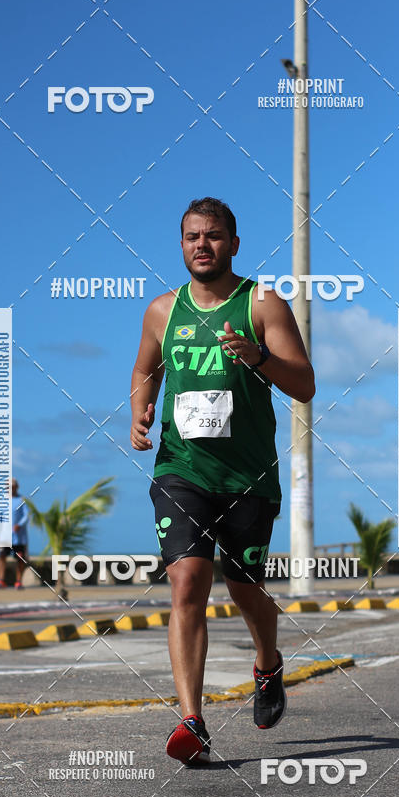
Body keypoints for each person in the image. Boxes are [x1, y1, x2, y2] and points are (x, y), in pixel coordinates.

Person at [130, 197, 315, 765]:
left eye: (212, 236)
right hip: (180, 470)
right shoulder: (164, 310)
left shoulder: (262, 303)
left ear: (234, 243)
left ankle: (268, 663)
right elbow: (145, 369)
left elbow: (304, 384)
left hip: (248, 476)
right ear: (181, 244)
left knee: (244, 587)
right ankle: (192, 719)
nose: (201, 245)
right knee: (186, 582)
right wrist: (140, 410)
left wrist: (258, 357)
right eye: (191, 237)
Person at [0, 478, 29, 589]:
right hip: (5, 536)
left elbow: (26, 515)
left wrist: (19, 524)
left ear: (16, 487)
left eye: (12, 486)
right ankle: (1, 580)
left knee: (20, 558)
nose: (10, 489)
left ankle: (18, 581)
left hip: (19, 537)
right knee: (2, 556)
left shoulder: (22, 500)